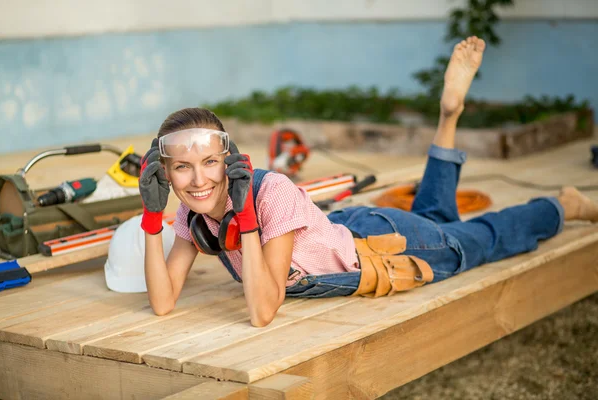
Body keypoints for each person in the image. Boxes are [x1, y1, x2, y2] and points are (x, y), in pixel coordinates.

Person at [139, 36, 598, 327]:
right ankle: (448, 116)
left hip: (381, 248)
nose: (198, 180)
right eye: (181, 168)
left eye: (210, 163)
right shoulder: (190, 214)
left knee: (479, 240)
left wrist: (245, 216)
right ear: (165, 174)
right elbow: (163, 303)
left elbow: (262, 311)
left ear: (230, 160)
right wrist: (150, 219)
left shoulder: (269, 193)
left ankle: (565, 204)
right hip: (350, 227)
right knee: (439, 218)